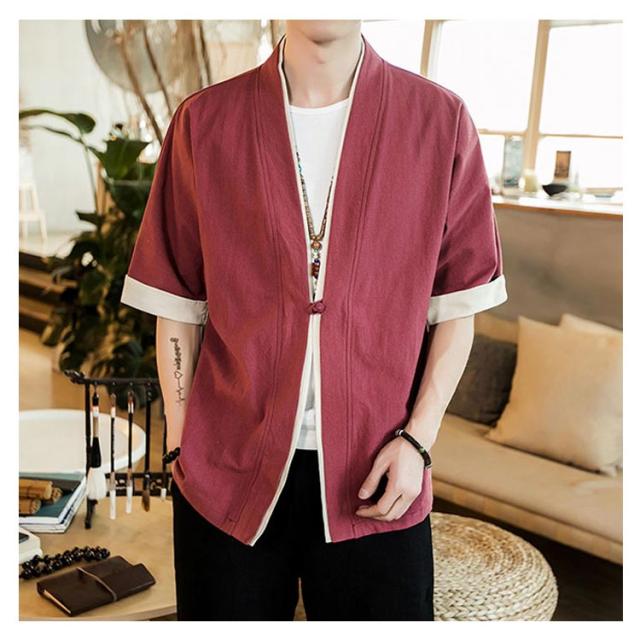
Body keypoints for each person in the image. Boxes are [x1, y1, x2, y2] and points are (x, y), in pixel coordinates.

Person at [120, 19, 508, 621]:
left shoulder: (440, 121)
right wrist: (180, 438)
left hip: (380, 472)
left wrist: (418, 441)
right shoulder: (204, 121)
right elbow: (177, 302)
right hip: (227, 468)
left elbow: (459, 304)